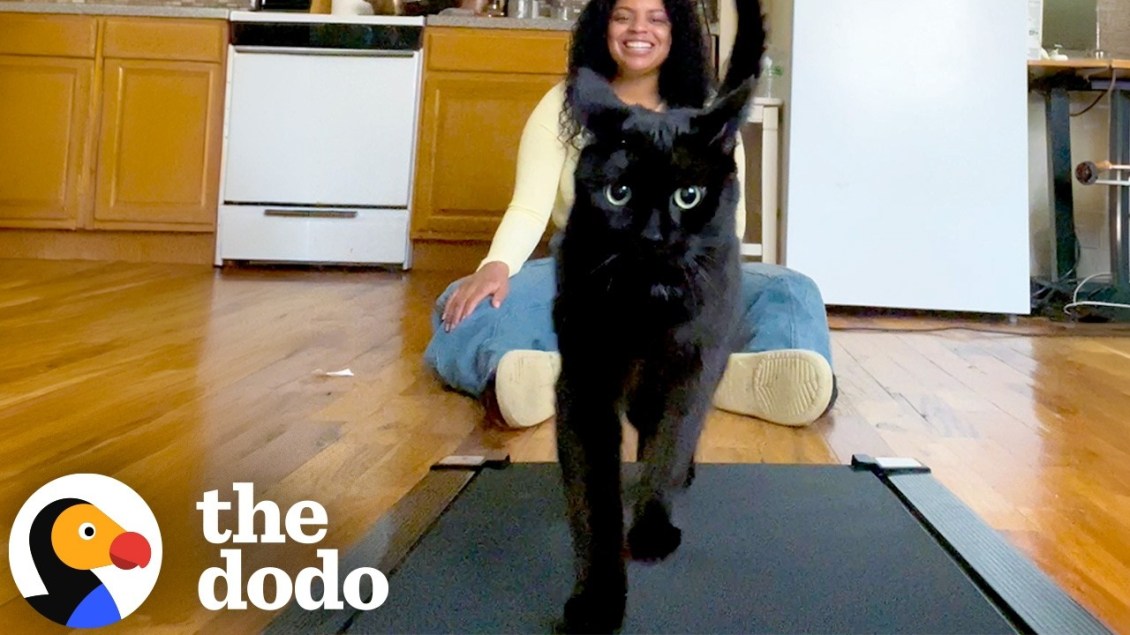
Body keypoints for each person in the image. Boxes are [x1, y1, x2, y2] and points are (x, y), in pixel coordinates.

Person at [424, 0, 836, 429]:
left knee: (791, 290)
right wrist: (496, 265)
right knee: (468, 302)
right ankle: (528, 380)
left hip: (686, 279)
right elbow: (529, 208)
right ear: (603, 26)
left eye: (656, 19)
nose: (639, 29)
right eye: (623, 16)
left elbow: (727, 226)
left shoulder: (709, 115)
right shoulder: (564, 104)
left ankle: (743, 379)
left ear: (677, 32)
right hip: (593, 274)